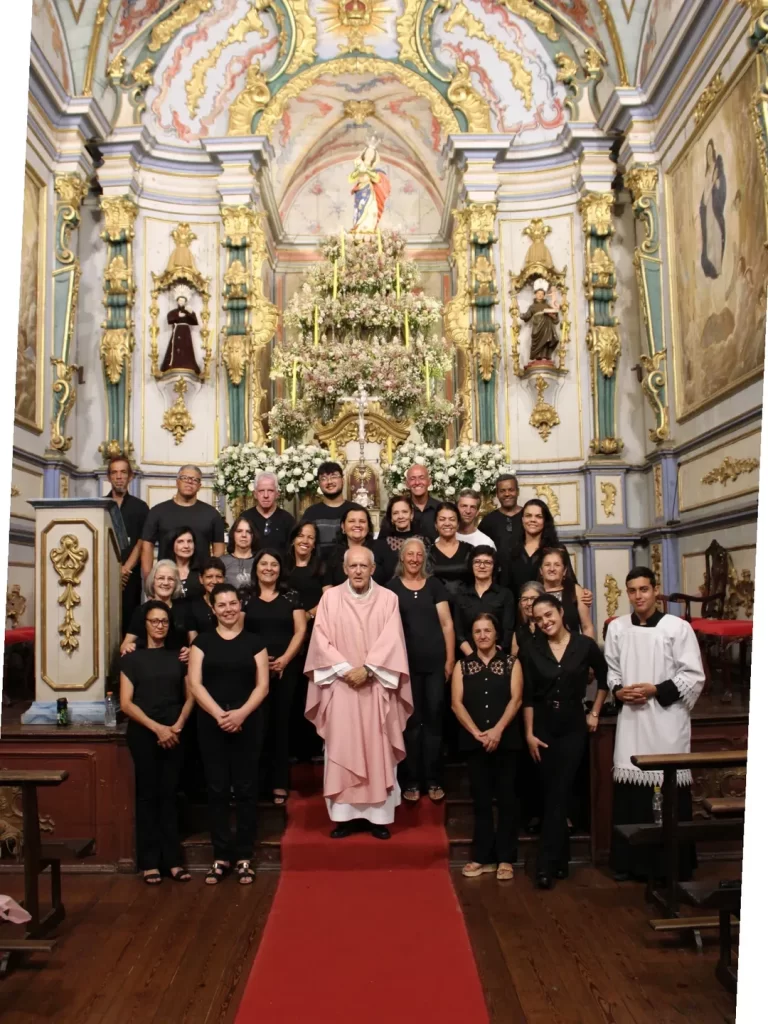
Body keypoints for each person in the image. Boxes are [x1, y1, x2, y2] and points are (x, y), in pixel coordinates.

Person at [605, 567, 705, 883]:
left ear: (655, 590)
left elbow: (693, 676)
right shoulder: (617, 628)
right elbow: (612, 670)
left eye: (644, 589)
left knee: (669, 787)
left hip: (666, 720)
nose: (638, 596)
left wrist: (656, 690)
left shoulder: (677, 628)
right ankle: (630, 863)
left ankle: (672, 865)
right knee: (631, 792)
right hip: (632, 721)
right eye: (632, 590)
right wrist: (618, 691)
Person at [304, 547, 412, 839]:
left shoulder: (388, 599)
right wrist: (344, 669)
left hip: (376, 687)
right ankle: (344, 818)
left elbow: (392, 640)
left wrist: (369, 669)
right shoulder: (330, 599)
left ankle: (378, 818)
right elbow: (320, 641)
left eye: (364, 566)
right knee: (341, 748)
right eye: (353, 566)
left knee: (378, 749)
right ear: (345, 569)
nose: (358, 571)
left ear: (373, 568)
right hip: (341, 687)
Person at [522, 594, 608, 889]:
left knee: (559, 792)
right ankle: (561, 859)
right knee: (552, 794)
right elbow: (528, 696)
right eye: (538, 619)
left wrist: (594, 712)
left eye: (549, 615)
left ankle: (545, 865)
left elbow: (605, 679)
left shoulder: (584, 645)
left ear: (560, 612)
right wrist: (529, 733)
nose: (545, 622)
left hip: (573, 726)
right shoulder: (531, 649)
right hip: (543, 727)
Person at [188, 584, 270, 886]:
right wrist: (219, 715)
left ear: (240, 605)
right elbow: (195, 684)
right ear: (213, 609)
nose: (228, 609)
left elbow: (263, 686)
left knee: (247, 789)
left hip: (248, 721)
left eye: (232, 603)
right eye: (221, 605)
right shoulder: (202, 642)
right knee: (217, 789)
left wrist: (240, 714)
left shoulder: (255, 642)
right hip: (212, 722)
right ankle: (221, 855)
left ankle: (245, 855)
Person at [120, 601, 195, 884]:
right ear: (145, 624)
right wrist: (157, 729)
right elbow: (126, 703)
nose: (160, 626)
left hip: (175, 731)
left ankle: (173, 861)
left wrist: (177, 726)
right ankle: (149, 862)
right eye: (154, 621)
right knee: (147, 795)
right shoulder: (131, 658)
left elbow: (190, 696)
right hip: (144, 732)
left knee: (170, 794)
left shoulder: (180, 657)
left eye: (164, 621)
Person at [452, 613, 523, 881]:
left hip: (506, 741)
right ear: (472, 636)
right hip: (475, 743)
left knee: (507, 800)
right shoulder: (462, 665)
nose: (482, 635)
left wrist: (497, 730)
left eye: (487, 630)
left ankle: (505, 858)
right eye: (477, 631)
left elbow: (516, 700)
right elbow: (456, 704)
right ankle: (482, 857)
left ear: (496, 633)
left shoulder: (511, 663)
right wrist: (477, 733)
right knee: (481, 801)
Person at [386, 538, 454, 803]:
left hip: (436, 664)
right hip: (405, 667)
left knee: (434, 719)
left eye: (419, 554)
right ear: (402, 558)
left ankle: (434, 778)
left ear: (424, 558)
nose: (414, 559)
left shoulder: (435, 586)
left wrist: (449, 660)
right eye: (409, 554)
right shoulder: (391, 588)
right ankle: (411, 780)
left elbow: (447, 624)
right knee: (410, 722)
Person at [244, 550, 307, 805]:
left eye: (274, 564)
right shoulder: (245, 597)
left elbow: (300, 630)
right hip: (252, 671)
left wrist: (284, 660)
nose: (269, 568)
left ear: (281, 569)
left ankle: (279, 782)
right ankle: (256, 783)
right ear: (256, 568)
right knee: (256, 726)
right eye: (264, 564)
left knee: (280, 726)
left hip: (285, 670)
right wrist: (258, 663)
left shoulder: (291, 596)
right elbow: (239, 631)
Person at [141, 466, 225, 579]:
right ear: (177, 482)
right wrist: (148, 577)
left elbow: (219, 550)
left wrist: (214, 578)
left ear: (199, 486)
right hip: (166, 579)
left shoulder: (212, 514)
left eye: (195, 479)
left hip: (201, 579)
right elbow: (147, 546)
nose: (189, 481)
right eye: (185, 478)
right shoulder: (158, 511)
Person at [106, 455, 149, 635]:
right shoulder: (100, 506)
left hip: (130, 576)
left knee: (130, 619)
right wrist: (113, 570)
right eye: (114, 472)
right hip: (105, 573)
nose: (119, 477)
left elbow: (141, 541)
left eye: (123, 472)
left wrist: (125, 569)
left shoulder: (140, 507)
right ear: (109, 477)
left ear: (130, 476)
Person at [454, 547, 515, 655]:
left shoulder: (505, 594)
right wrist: (473, 657)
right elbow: (459, 633)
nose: (482, 566)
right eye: (477, 562)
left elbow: (508, 631)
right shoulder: (461, 594)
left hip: (498, 655)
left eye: (487, 562)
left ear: (494, 566)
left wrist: (493, 656)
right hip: (467, 655)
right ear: (471, 565)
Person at [121, 560, 189, 654]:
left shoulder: (185, 610)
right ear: (153, 581)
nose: (166, 583)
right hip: (148, 661)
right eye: (161, 578)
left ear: (176, 583)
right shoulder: (141, 611)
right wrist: (128, 647)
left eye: (170, 579)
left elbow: (193, 644)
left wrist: (190, 651)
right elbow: (124, 646)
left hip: (177, 661)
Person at [300, 461, 363, 558]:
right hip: (319, 566)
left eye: (334, 476)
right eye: (324, 478)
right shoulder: (311, 513)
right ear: (319, 484)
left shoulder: (356, 510)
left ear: (343, 480)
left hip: (352, 565)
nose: (329, 482)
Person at [506, 499, 560, 600]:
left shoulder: (556, 548)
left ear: (545, 520)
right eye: (528, 516)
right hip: (517, 607)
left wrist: (584, 593)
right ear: (522, 519)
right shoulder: (511, 549)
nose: (533, 520)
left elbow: (569, 581)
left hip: (547, 606)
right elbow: (505, 585)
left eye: (538, 516)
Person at [538, 547, 594, 638]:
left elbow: (587, 627)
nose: (552, 569)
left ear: (564, 571)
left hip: (574, 644)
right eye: (547, 565)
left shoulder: (576, 590)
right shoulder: (535, 592)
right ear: (541, 570)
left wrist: (589, 646)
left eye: (557, 565)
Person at [378, 464, 440, 542]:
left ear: (429, 481)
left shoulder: (440, 508)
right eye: (412, 478)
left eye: (421, 478)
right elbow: (381, 543)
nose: (417, 482)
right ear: (407, 483)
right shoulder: (398, 510)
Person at [372, 495, 422, 584]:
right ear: (391, 518)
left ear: (411, 514)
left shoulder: (424, 541)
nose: (400, 516)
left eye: (404, 512)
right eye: (395, 513)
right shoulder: (381, 544)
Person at [242, 472, 295, 555]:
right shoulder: (245, 518)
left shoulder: (288, 520)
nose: (266, 495)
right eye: (261, 491)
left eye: (270, 491)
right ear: (255, 494)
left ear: (277, 494)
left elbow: (293, 553)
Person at [323, 507, 376, 588]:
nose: (357, 525)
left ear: (368, 527)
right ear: (343, 526)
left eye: (362, 521)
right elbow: (327, 584)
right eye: (352, 521)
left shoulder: (381, 549)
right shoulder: (332, 552)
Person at [284, 521, 324, 622]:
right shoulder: (282, 567)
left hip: (316, 622)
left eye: (310, 537)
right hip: (286, 623)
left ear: (314, 544)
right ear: (293, 540)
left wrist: (309, 615)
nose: (305, 541)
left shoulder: (322, 567)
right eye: (300, 536)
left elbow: (329, 598)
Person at [430, 502, 473, 595]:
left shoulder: (470, 550)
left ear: (458, 524)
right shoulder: (428, 553)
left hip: (467, 601)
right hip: (436, 602)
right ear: (436, 524)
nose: (447, 523)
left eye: (452, 519)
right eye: (442, 519)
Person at [184, 558, 227, 641]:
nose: (214, 581)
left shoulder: (231, 603)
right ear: (201, 579)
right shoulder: (193, 606)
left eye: (218, 577)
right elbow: (193, 640)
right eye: (209, 577)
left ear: (224, 579)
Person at [520, 279, 560, 362]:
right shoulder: (532, 307)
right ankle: (538, 356)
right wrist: (521, 315)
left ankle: (545, 356)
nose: (540, 295)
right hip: (537, 327)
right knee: (538, 342)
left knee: (546, 341)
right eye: (538, 293)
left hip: (547, 327)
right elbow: (527, 316)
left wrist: (553, 316)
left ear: (544, 295)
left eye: (542, 294)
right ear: (535, 294)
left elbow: (556, 319)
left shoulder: (548, 306)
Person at [161, 292, 200, 374]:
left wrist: (191, 313)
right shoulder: (174, 312)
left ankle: (188, 364)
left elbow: (195, 322)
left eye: (183, 301)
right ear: (177, 301)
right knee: (176, 347)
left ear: (185, 302)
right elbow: (169, 319)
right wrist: (178, 316)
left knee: (186, 348)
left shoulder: (188, 311)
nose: (181, 302)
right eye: (179, 300)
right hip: (177, 331)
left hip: (185, 333)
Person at [221, 515, 260, 596]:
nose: (244, 535)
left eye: (248, 532)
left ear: (253, 536)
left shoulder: (260, 561)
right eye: (239, 531)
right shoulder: (222, 562)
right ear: (233, 534)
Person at [165, 526, 204, 603]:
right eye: (180, 541)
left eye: (189, 541)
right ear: (172, 545)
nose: (186, 546)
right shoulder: (164, 569)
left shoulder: (202, 570)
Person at [512, 581, 546, 657]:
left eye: (533, 598)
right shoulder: (519, 632)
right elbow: (514, 658)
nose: (529, 603)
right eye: (525, 599)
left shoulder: (550, 626)